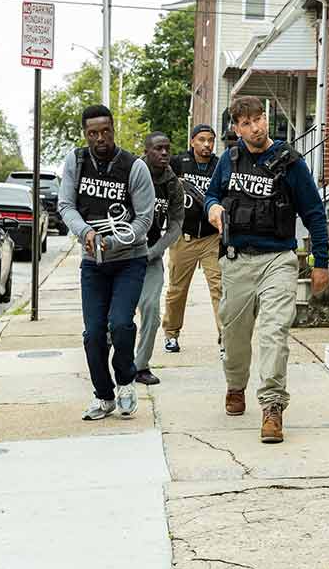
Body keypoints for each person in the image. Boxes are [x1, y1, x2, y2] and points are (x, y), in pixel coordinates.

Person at [206, 96, 329, 444]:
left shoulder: (289, 162)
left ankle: (272, 406)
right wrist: (213, 208)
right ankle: (235, 384)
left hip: (278, 260)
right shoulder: (229, 160)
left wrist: (321, 261)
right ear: (236, 128)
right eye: (246, 123)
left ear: (266, 117)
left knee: (274, 333)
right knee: (234, 337)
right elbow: (212, 195)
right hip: (236, 260)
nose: (255, 127)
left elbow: (314, 213)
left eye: (259, 119)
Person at [58, 104, 155, 421]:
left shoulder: (134, 167)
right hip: (93, 262)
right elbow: (65, 206)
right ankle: (104, 396)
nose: (100, 138)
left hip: (129, 259)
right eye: (93, 133)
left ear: (113, 130)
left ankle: (126, 381)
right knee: (94, 334)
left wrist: (116, 240)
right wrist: (85, 232)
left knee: (121, 324)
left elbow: (145, 219)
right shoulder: (76, 161)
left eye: (105, 131)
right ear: (85, 134)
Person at [162, 124, 222, 356]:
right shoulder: (178, 163)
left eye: (210, 140)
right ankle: (171, 335)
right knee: (177, 290)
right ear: (192, 142)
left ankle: (225, 337)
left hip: (211, 238)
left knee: (220, 288)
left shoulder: (219, 165)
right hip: (183, 237)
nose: (207, 145)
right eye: (202, 140)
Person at [134, 131, 186, 385]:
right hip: (122, 255)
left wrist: (155, 251)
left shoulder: (173, 183)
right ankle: (109, 358)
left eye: (167, 148)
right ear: (147, 150)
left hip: (151, 255)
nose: (164, 153)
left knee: (152, 310)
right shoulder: (131, 173)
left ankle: (141, 366)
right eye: (158, 148)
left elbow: (176, 225)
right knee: (116, 319)